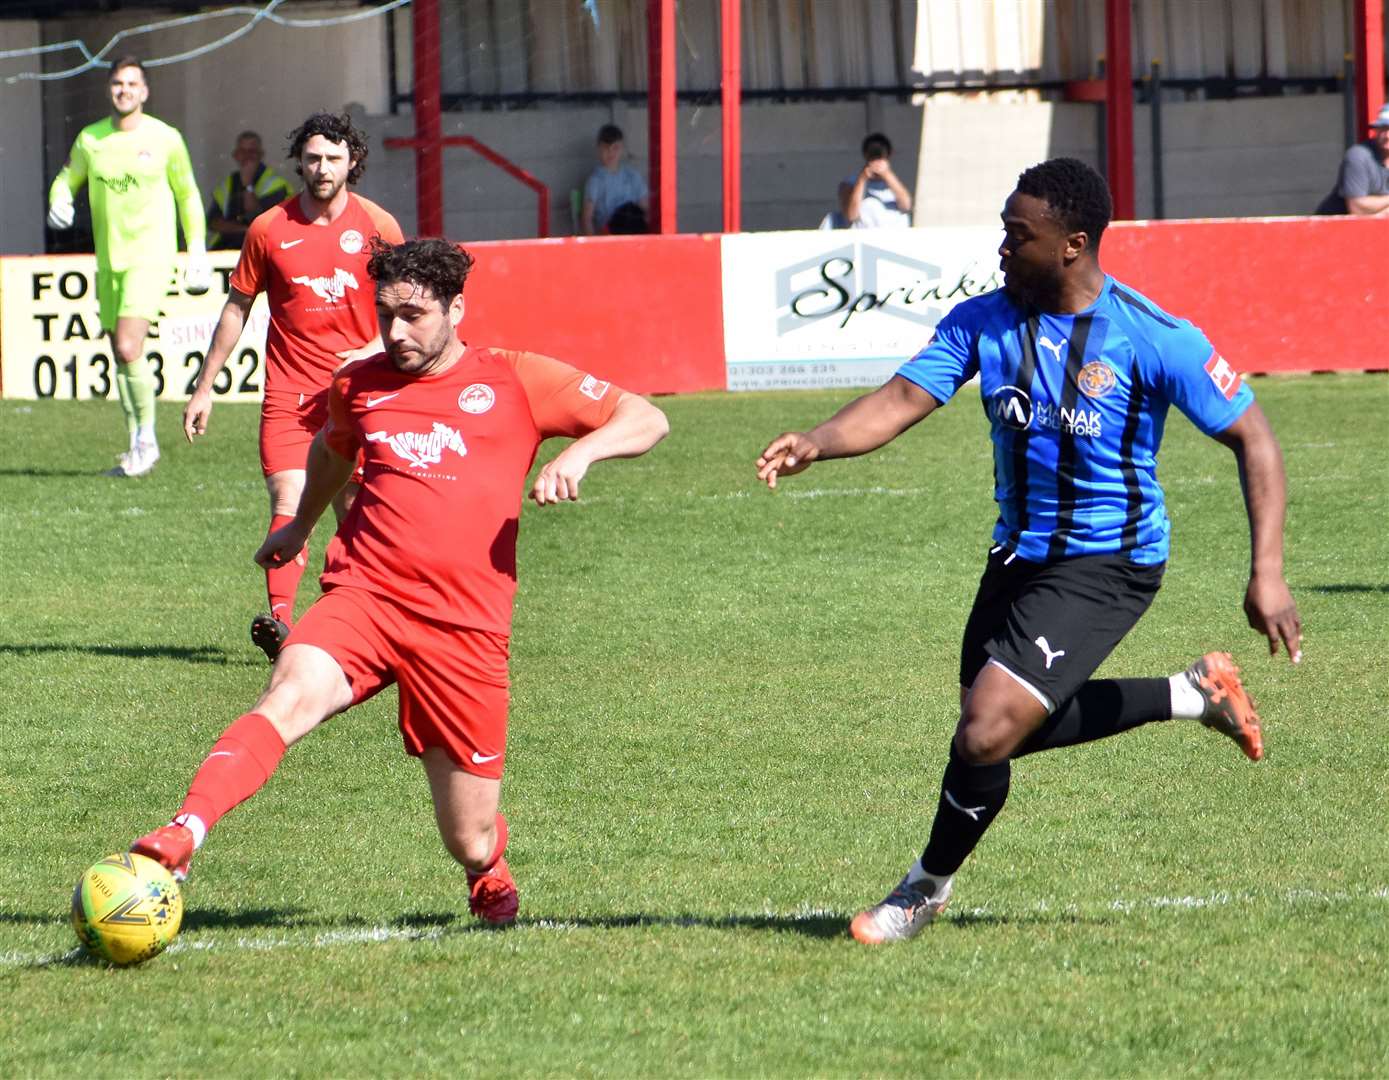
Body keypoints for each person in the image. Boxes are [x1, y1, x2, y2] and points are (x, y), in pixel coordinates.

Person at [756, 157, 1302, 945]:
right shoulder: (983, 320)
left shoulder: (1151, 337)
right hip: (1015, 560)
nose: (1002, 249)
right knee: (995, 731)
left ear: (1073, 243)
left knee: (984, 730)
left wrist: (1268, 573)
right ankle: (1192, 693)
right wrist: (818, 440)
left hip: (1108, 564)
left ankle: (919, 893)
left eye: (1019, 235)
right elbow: (902, 399)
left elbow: (1252, 436)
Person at [131, 236, 670, 926]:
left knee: (467, 836)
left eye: (413, 315)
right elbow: (332, 453)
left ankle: (488, 869)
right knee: (289, 694)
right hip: (367, 595)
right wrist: (297, 528)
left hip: (463, 627)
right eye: (385, 314)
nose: (394, 331)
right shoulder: (358, 384)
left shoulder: (515, 378)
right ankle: (182, 833)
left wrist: (583, 453)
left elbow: (645, 417)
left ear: (455, 308)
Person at [183, 112, 403, 661]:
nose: (322, 168)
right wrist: (204, 386)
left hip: (358, 396)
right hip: (289, 395)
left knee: (354, 511)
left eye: (332, 158)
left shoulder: (380, 226)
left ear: (353, 161)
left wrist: (378, 351)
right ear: (299, 163)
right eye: (312, 158)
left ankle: (353, 621)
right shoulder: (269, 228)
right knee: (288, 498)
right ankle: (280, 623)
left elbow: (409, 306)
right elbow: (238, 306)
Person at [46, 56, 211, 478]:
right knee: (119, 352)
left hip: (151, 258)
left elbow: (188, 195)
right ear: (109, 90)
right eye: (118, 83)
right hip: (109, 261)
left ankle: (146, 442)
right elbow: (68, 177)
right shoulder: (91, 139)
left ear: (145, 91)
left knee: (127, 345)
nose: (125, 90)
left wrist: (195, 250)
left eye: (132, 83)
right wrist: (59, 198)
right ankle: (137, 440)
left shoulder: (165, 138)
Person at [206, 130, 293, 249]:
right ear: (235, 155)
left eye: (252, 151)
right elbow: (213, 223)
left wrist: (248, 185)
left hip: (260, 250)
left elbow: (257, 219)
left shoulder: (276, 184)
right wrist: (243, 229)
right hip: (225, 250)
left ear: (261, 154)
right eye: (242, 151)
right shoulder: (227, 184)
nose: (247, 156)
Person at [1315, 104, 1389, 216]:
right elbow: (1357, 208)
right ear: (1376, 131)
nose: (1387, 135)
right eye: (1382, 129)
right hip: (1333, 229)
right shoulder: (1359, 156)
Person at [580, 124, 649, 235]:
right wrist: (593, 249)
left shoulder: (632, 176)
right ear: (599, 148)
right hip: (610, 235)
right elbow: (586, 219)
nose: (611, 153)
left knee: (631, 213)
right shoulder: (595, 181)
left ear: (622, 148)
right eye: (606, 148)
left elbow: (646, 209)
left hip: (634, 232)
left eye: (615, 148)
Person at [835, 132, 912, 229]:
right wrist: (862, 179)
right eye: (872, 157)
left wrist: (887, 175)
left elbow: (906, 206)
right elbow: (851, 215)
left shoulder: (894, 183)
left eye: (880, 156)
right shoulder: (850, 183)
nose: (876, 161)